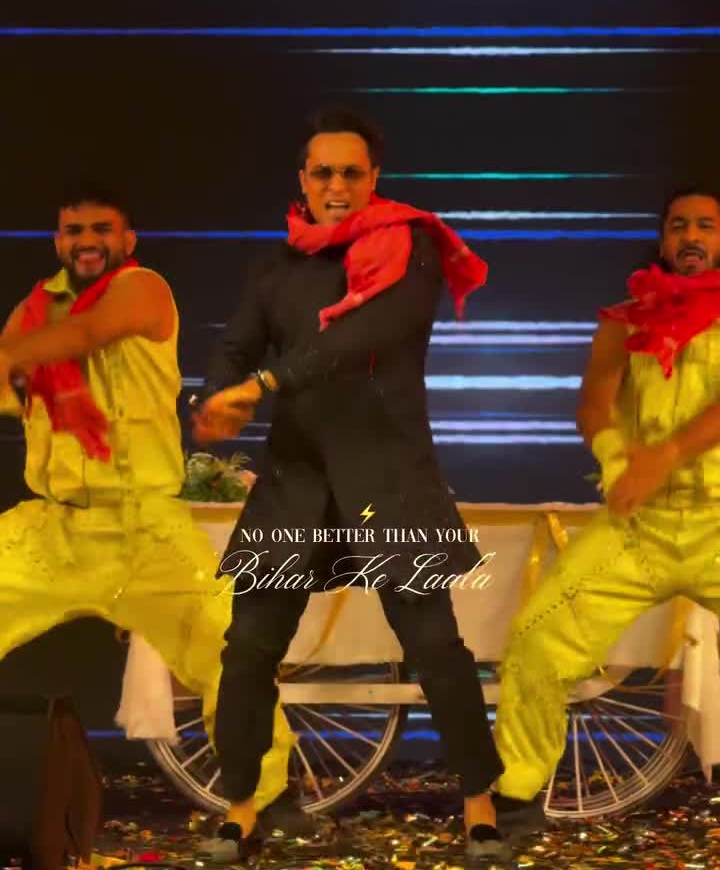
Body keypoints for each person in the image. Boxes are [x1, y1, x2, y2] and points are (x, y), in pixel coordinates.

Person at [194, 107, 506, 865]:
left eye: (351, 173)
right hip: (296, 479)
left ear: (375, 179)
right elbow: (236, 344)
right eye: (323, 172)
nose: (336, 185)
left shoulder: (410, 246)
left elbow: (360, 337)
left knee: (435, 648)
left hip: (387, 476)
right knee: (247, 648)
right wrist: (215, 397)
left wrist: (263, 384)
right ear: (302, 179)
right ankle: (241, 808)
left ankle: (481, 807)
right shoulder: (277, 264)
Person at [0, 185, 299, 831]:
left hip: (143, 528)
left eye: (101, 229)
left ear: (127, 240)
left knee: (228, 655)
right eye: (74, 230)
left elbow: (85, 334)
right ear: (57, 242)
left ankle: (270, 798)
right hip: (54, 526)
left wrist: (13, 356)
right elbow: (9, 386)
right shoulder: (35, 309)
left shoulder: (142, 288)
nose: (87, 241)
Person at [492, 187, 720, 835]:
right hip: (638, 526)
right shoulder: (626, 318)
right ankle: (518, 794)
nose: (691, 236)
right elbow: (594, 400)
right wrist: (619, 460)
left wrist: (666, 453)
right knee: (536, 639)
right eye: (679, 225)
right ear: (663, 238)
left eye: (707, 225)